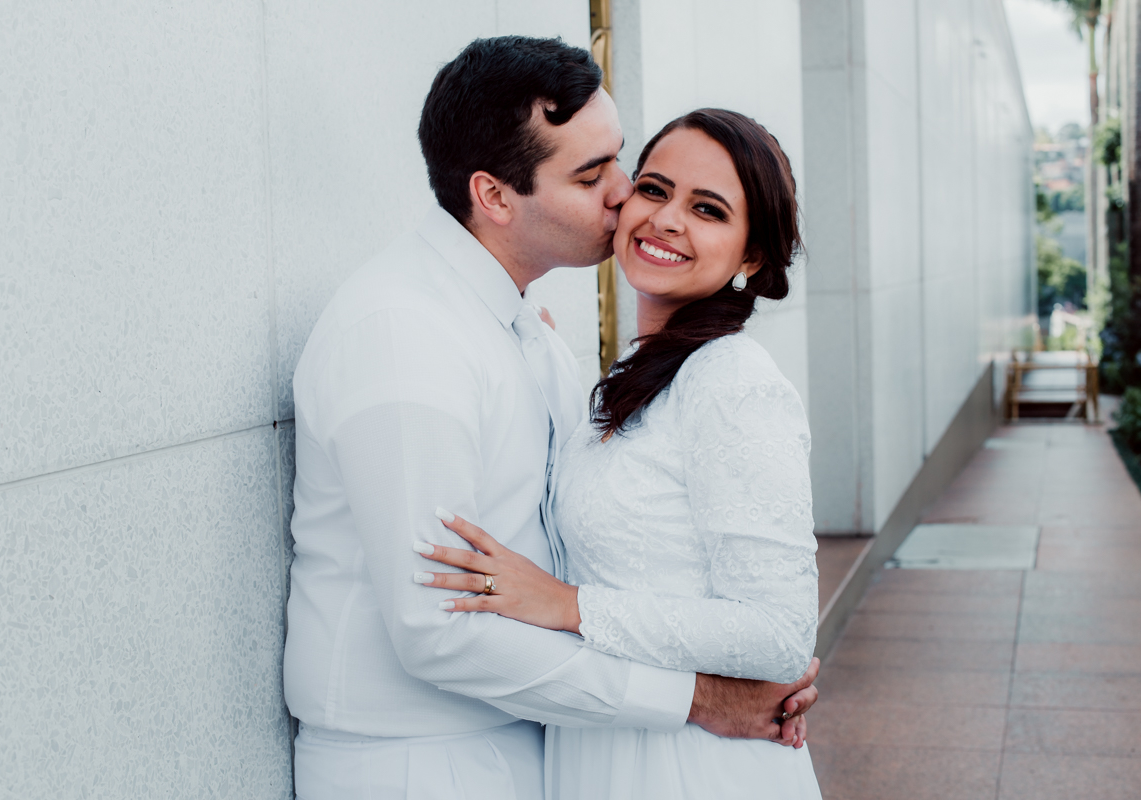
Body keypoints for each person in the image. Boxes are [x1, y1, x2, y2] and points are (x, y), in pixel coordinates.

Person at [283, 37, 817, 800]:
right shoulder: (406, 337)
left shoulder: (529, 334)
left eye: (620, 161)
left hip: (560, 744)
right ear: (496, 197)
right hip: (422, 765)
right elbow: (438, 629)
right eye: (593, 175)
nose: (625, 195)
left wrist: (736, 661)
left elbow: (745, 612)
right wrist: (699, 696)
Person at [416, 108, 823, 798]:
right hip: (608, 740)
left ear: (752, 256)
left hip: (690, 766)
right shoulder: (638, 374)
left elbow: (778, 633)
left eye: (708, 210)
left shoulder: (733, 381)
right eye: (655, 189)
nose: (667, 220)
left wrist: (568, 605)